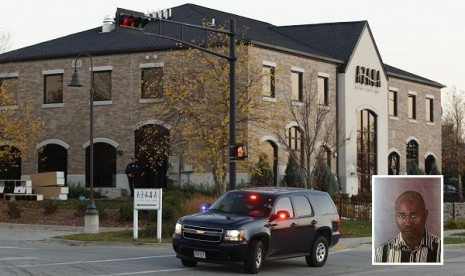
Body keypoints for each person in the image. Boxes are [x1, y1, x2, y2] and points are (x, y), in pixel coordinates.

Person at [374, 190, 441, 263]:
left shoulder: (440, 249)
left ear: (425, 215)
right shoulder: (381, 253)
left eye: (414, 215)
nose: (408, 222)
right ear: (395, 216)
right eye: (402, 216)